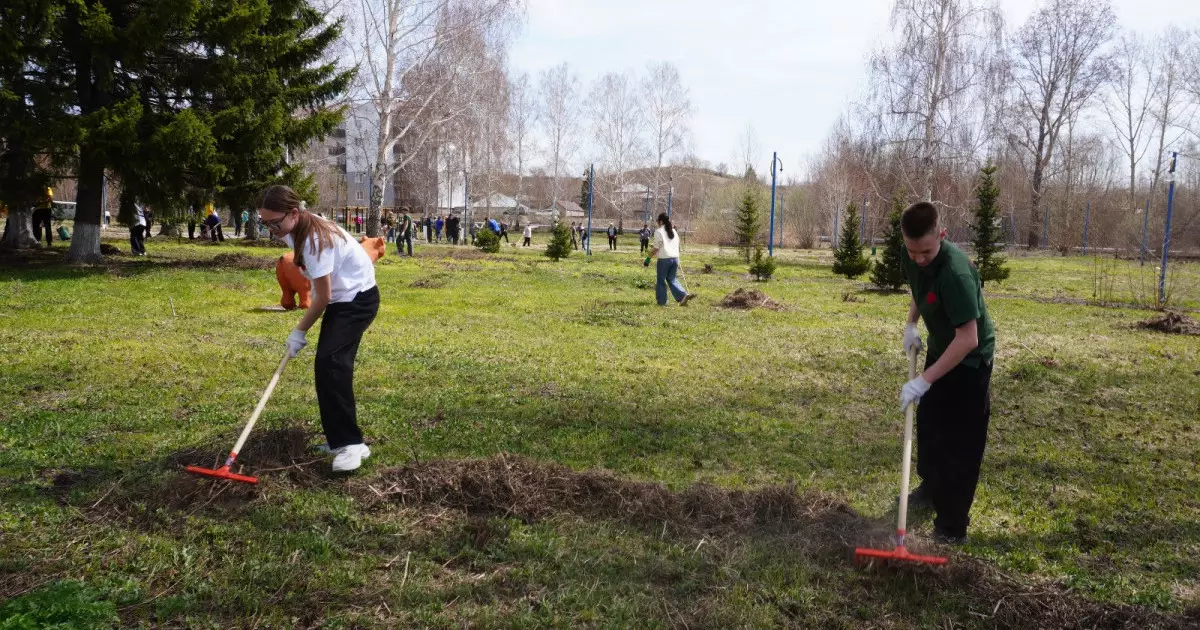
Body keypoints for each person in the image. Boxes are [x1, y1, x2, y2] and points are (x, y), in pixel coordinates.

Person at [258, 185, 379, 473]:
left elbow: (322, 297)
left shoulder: (314, 240)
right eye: (265, 223)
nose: (271, 230)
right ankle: (339, 440)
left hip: (357, 300)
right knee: (326, 365)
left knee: (333, 363)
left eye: (275, 223)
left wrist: (299, 332)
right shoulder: (295, 229)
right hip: (342, 298)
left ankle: (352, 445)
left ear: (294, 213)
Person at [897, 201, 995, 544]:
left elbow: (968, 339)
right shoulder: (911, 254)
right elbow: (919, 286)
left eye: (926, 251)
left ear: (942, 234)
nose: (919, 258)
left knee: (960, 442)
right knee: (930, 422)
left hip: (970, 361)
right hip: (941, 346)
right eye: (912, 251)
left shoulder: (957, 273)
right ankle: (931, 487)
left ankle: (952, 525)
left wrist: (924, 380)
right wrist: (911, 323)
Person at [647, 212, 692, 307]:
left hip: (664, 259)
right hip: (675, 258)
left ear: (661, 221)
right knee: (672, 279)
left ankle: (662, 301)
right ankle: (682, 296)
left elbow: (656, 248)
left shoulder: (659, 231)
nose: (657, 223)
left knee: (661, 280)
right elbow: (677, 244)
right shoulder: (674, 231)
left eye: (658, 221)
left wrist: (648, 259)